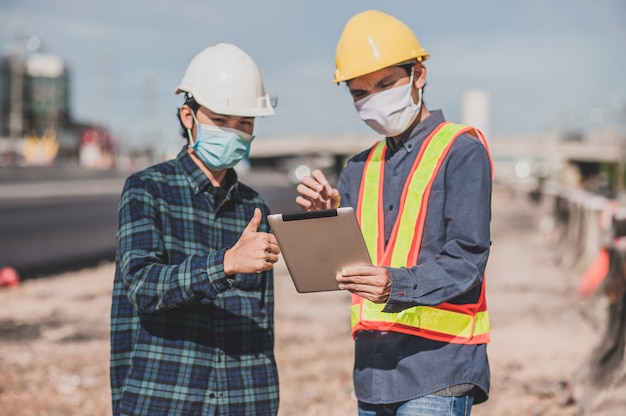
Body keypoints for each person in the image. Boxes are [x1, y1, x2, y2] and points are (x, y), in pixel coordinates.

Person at [295, 10, 493, 416]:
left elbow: (467, 261)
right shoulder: (356, 169)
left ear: (418, 74)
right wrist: (325, 222)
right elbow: (343, 267)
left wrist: (395, 285)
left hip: (438, 367)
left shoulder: (461, 150)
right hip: (373, 370)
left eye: (386, 83)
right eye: (359, 92)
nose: (374, 100)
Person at [110, 43, 281, 416]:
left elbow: (261, 316)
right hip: (166, 397)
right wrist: (226, 264)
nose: (234, 132)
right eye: (221, 120)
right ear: (188, 116)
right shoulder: (147, 189)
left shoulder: (255, 207)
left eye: (245, 123)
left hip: (246, 399)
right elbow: (143, 286)